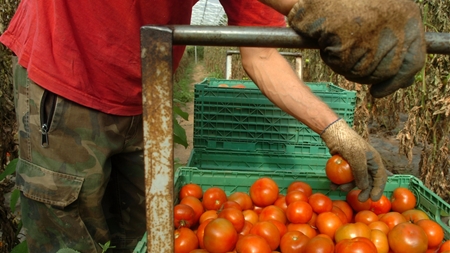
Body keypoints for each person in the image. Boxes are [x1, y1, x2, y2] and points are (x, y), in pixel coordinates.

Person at [0, 0, 425, 252]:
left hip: (149, 95)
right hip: (65, 79)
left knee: (144, 235)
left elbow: (260, 55)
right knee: (69, 239)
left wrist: (334, 129)